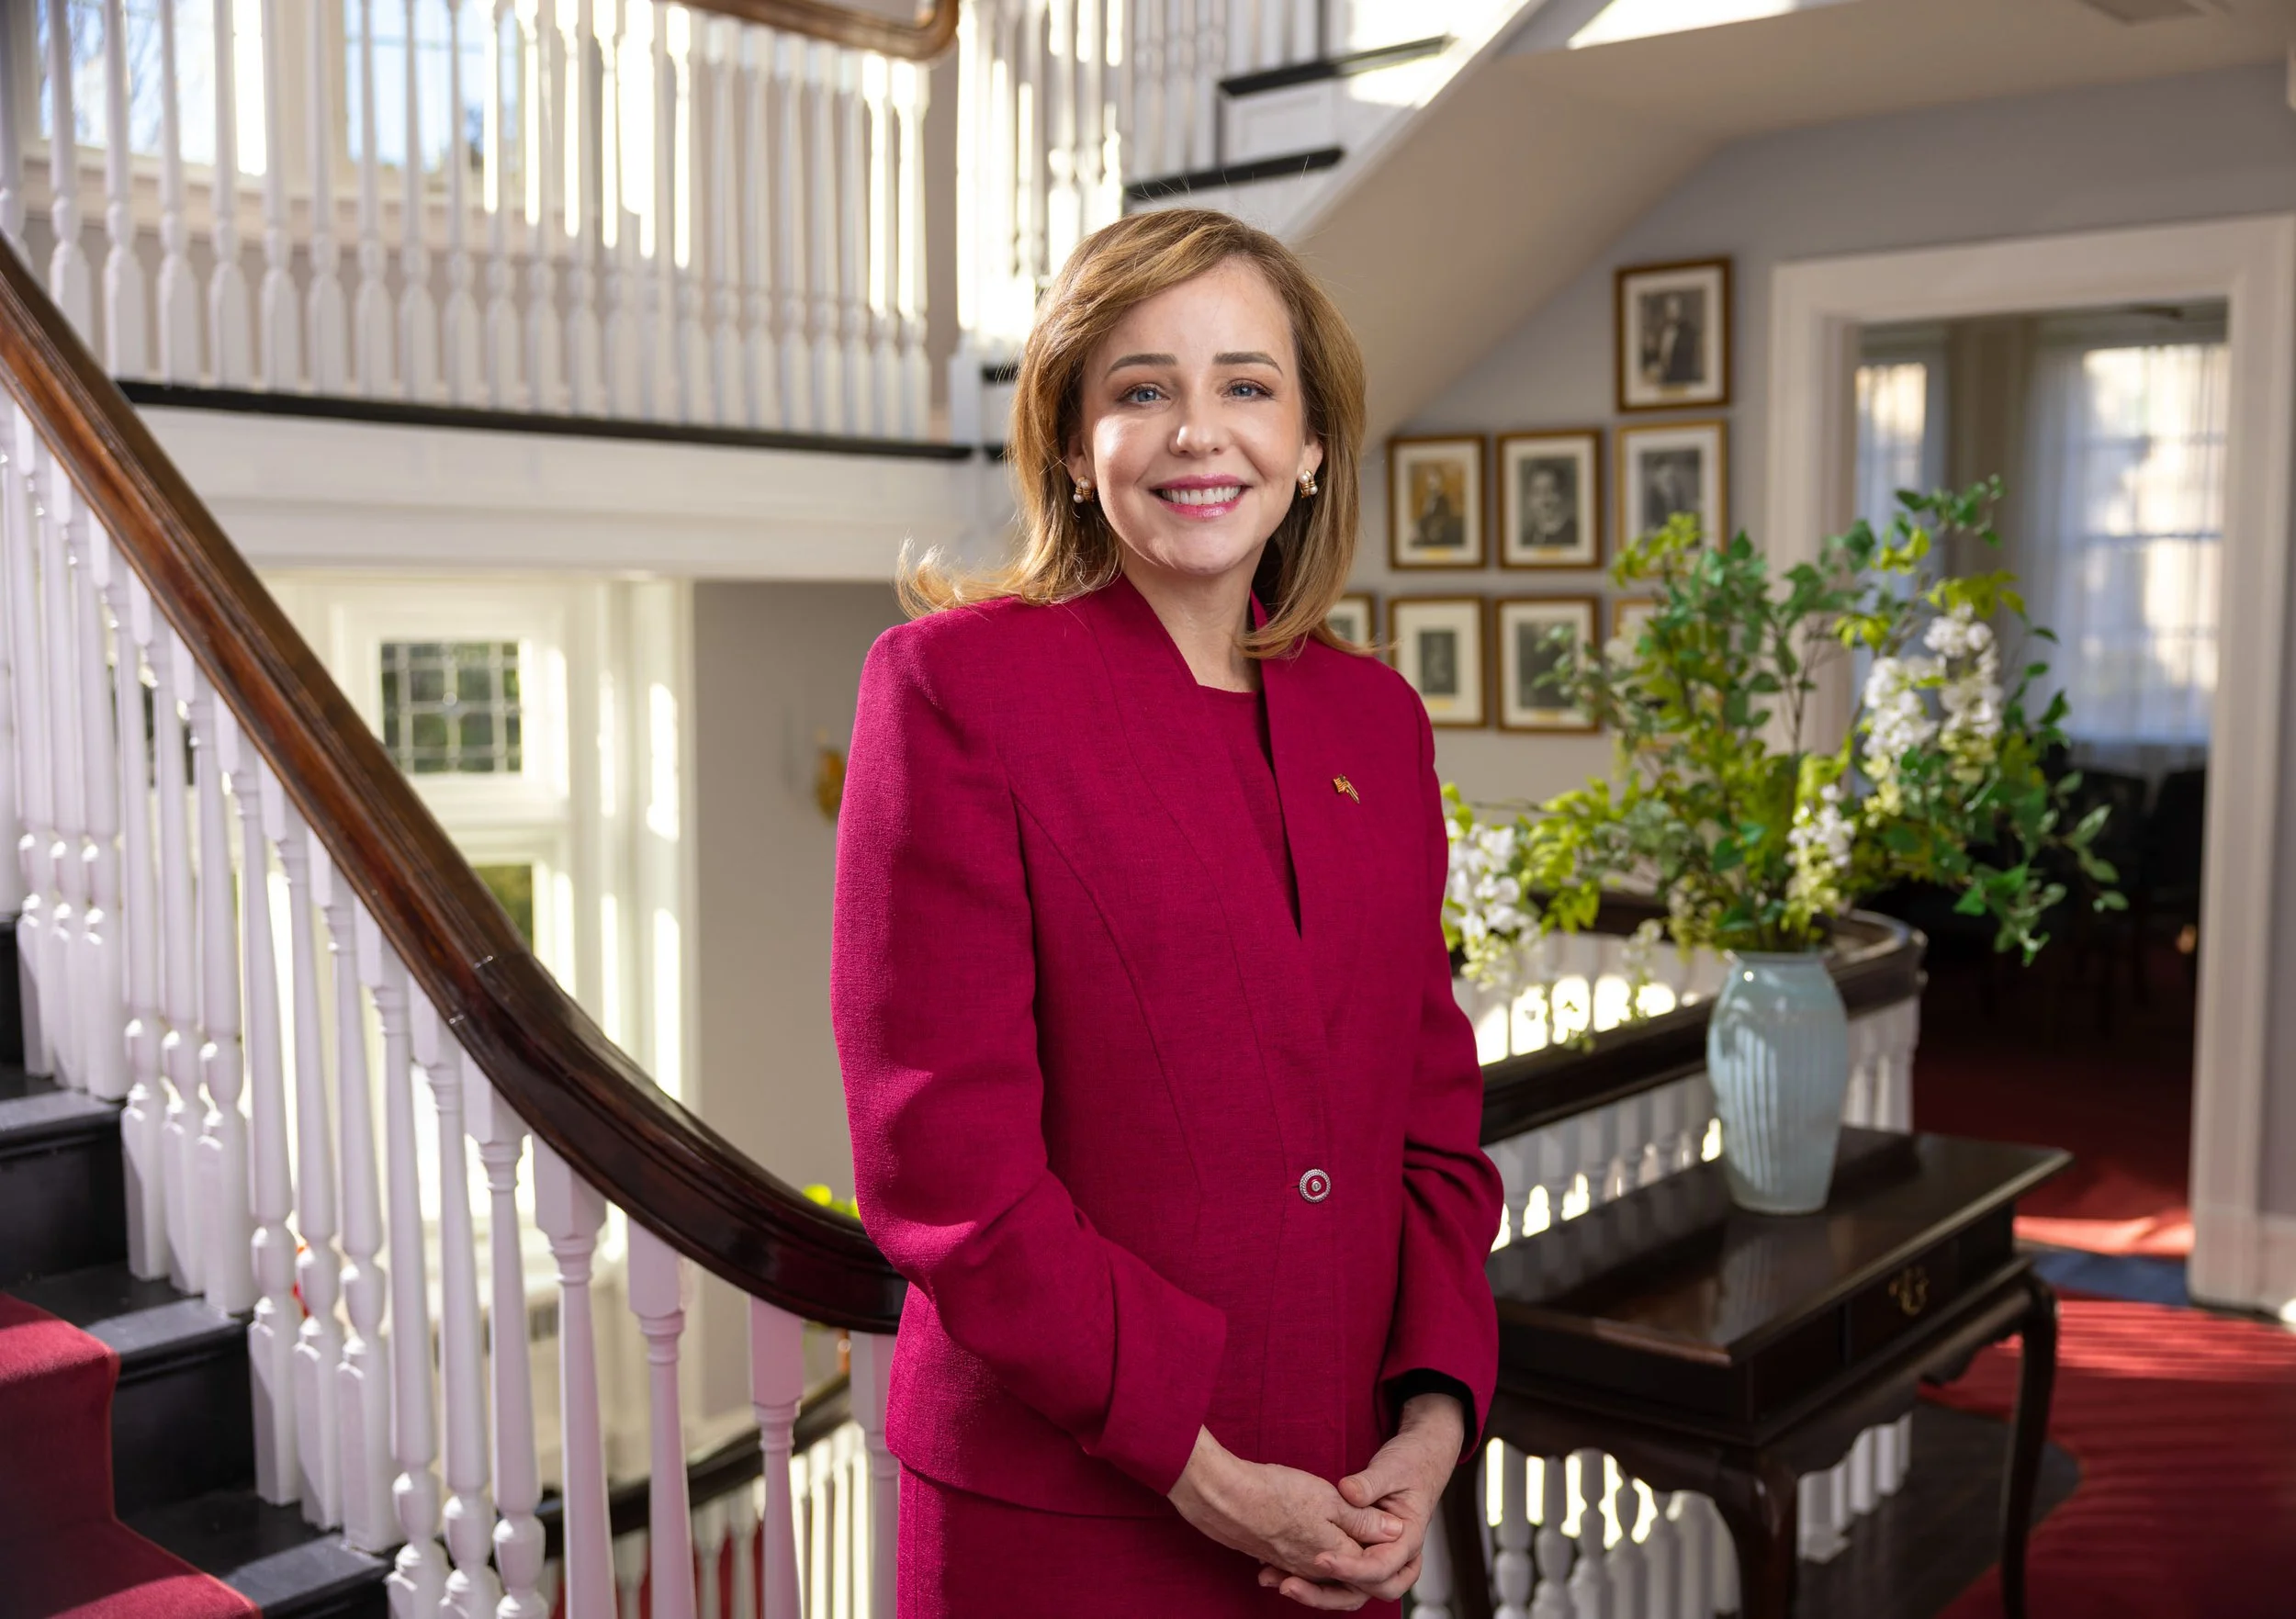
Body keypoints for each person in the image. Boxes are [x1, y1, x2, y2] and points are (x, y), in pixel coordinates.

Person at [831, 208, 1503, 1617]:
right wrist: (1199, 1464)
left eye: (1247, 385)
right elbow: (946, 1169)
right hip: (1063, 1510)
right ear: (1076, 447)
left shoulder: (1374, 720)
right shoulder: (953, 689)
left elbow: (1430, 1113)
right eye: (1143, 389)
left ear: (1312, 443)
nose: (1202, 432)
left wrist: (1433, 1423)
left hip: (1340, 1495)